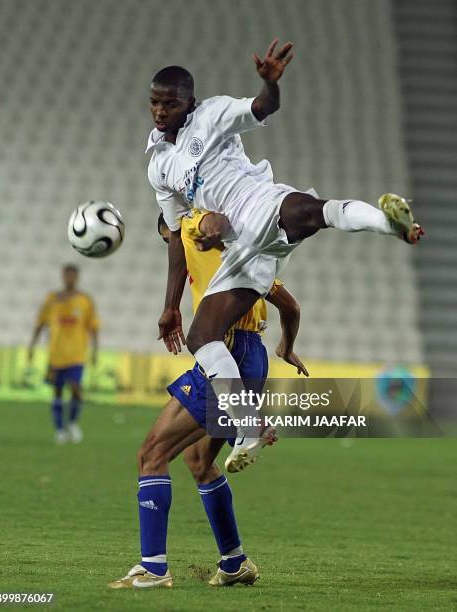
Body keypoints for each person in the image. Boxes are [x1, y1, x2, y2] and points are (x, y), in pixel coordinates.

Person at [146, 40, 425, 470]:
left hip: (258, 203)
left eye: (170, 103)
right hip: (241, 249)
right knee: (203, 336)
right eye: (155, 103)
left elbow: (262, 107)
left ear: (190, 102)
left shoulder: (212, 114)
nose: (161, 111)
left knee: (314, 212)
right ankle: (248, 424)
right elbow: (175, 237)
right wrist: (170, 306)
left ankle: (392, 223)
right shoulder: (159, 165)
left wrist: (270, 84)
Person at [108, 209, 307, 589]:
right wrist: (286, 346)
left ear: (172, 231)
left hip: (226, 350)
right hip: (253, 353)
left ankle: (153, 569)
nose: (172, 249)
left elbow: (187, 240)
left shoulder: (189, 228)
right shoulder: (243, 256)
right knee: (198, 459)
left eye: (168, 241)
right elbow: (292, 307)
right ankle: (235, 562)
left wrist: (170, 304)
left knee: (151, 455)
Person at [28, 264, 99, 444]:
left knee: (76, 390)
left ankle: (73, 423)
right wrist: (32, 346)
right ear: (63, 277)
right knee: (57, 392)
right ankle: (60, 429)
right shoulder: (52, 299)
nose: (69, 279)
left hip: (76, 355)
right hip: (55, 354)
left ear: (77, 277)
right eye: (67, 275)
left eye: (72, 275)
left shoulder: (85, 300)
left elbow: (94, 327)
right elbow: (40, 324)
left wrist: (95, 350)